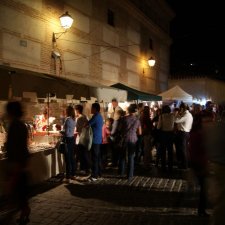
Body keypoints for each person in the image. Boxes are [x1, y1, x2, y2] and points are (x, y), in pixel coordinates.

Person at [4, 101, 31, 225]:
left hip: (16, 162)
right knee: (19, 190)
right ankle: (23, 210)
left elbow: (15, 145)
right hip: (20, 162)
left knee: (16, 189)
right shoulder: (21, 125)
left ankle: (21, 210)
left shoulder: (15, 125)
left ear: (11, 112)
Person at [119, 104, 142, 181]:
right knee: (131, 157)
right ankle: (130, 175)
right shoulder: (137, 120)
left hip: (124, 139)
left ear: (128, 110)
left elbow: (120, 129)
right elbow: (140, 133)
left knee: (122, 156)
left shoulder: (124, 119)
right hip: (133, 139)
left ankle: (121, 172)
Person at [88, 103, 104, 182]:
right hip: (98, 139)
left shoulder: (95, 117)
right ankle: (99, 173)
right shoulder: (100, 116)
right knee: (98, 158)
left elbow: (87, 124)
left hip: (94, 140)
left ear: (95, 109)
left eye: (91, 108)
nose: (91, 109)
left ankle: (95, 175)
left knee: (94, 158)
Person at [175, 103, 193, 169]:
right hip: (186, 133)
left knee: (183, 150)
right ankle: (185, 164)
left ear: (182, 108)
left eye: (180, 108)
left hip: (183, 133)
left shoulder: (186, 115)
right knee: (184, 149)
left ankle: (185, 165)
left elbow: (176, 121)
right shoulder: (189, 115)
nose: (180, 110)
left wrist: (177, 114)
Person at [157, 105, 175, 172]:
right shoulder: (172, 116)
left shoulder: (161, 116)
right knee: (170, 151)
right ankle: (170, 166)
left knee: (163, 151)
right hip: (170, 134)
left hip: (163, 134)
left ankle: (163, 166)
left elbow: (158, 127)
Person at [74, 104, 90, 175]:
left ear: (77, 110)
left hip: (80, 138)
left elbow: (77, 129)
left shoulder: (79, 118)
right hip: (86, 137)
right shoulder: (85, 117)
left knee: (81, 154)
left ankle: (84, 169)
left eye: (75, 110)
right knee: (84, 154)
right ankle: (86, 168)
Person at [62, 106, 76, 183]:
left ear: (67, 111)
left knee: (67, 159)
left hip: (67, 139)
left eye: (66, 110)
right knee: (72, 157)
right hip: (72, 139)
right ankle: (73, 174)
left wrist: (61, 131)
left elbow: (66, 132)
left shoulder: (67, 119)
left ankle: (68, 177)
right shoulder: (74, 119)